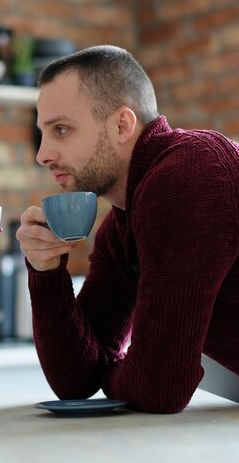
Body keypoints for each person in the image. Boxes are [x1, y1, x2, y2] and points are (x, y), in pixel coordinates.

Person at [16, 45, 239, 414]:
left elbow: (159, 387)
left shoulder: (188, 176)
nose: (43, 154)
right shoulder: (121, 226)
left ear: (122, 125)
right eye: (43, 133)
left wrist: (116, 374)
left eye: (61, 129)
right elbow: (76, 382)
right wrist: (46, 270)